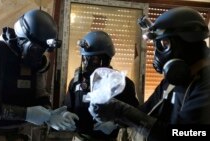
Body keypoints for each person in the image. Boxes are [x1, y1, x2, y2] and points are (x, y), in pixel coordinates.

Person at [88, 6, 210, 141]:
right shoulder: (172, 81)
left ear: (186, 44)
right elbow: (145, 112)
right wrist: (112, 113)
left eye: (164, 44)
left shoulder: (205, 85)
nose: (157, 54)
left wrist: (122, 112)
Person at [0, 9, 79, 141]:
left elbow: (40, 96)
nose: (38, 55)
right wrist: (26, 114)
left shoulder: (35, 61)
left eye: (42, 51)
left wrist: (50, 115)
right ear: (22, 39)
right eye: (35, 49)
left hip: (20, 134)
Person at [64, 30, 139, 141]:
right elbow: (68, 108)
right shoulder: (76, 83)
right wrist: (65, 116)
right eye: (84, 58)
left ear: (106, 59)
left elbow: (135, 118)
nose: (86, 64)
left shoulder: (122, 84)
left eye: (93, 59)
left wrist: (116, 124)